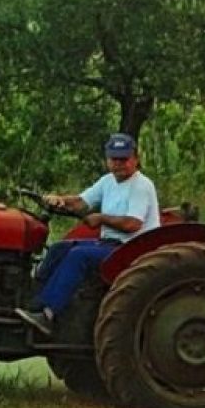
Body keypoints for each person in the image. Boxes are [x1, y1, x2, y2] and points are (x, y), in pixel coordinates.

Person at [16, 132, 160, 336]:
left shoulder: (141, 185)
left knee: (78, 256)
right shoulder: (108, 181)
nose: (118, 164)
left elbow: (132, 224)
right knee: (59, 248)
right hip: (110, 244)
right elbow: (81, 202)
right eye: (114, 159)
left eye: (124, 159)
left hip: (132, 250)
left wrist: (101, 218)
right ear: (107, 160)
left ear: (136, 159)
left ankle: (48, 315)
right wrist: (59, 200)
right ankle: (33, 301)